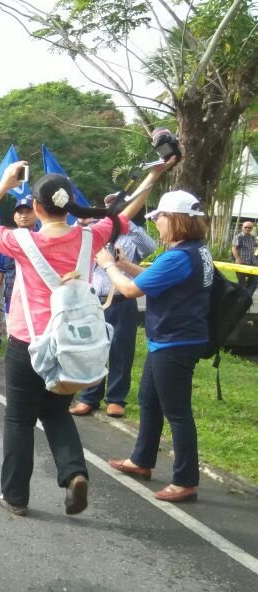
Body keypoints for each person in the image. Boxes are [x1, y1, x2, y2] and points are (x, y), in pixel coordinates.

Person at [0, 158, 170, 517]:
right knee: (57, 412)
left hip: (27, 341)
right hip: (72, 341)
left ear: (36, 207)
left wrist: (2, 185)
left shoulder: (21, 242)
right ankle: (74, 472)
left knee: (19, 419)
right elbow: (126, 213)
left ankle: (16, 496)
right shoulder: (92, 237)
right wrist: (154, 174)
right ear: (68, 203)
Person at [102, 190, 212, 503]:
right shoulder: (194, 250)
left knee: (177, 412)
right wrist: (125, 265)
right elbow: (154, 278)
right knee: (149, 399)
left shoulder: (178, 256)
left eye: (159, 218)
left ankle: (186, 480)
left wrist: (109, 265)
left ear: (175, 220)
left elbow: (131, 291)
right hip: (171, 339)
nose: (156, 224)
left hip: (175, 341)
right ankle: (141, 460)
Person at [70, 194, 158, 418]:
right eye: (108, 205)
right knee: (93, 349)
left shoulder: (131, 236)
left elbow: (151, 247)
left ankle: (116, 399)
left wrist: (127, 222)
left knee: (121, 350)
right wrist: (85, 220)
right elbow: (72, 242)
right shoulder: (91, 233)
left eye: (117, 206)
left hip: (122, 300)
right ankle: (89, 397)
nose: (112, 209)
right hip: (93, 300)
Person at [0, 198, 37, 344]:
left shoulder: (44, 237)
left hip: (38, 300)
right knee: (15, 339)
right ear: (14, 217)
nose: (24, 216)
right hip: (12, 300)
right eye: (20, 212)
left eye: (28, 212)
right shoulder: (7, 240)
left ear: (38, 213)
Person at [231, 220, 256, 290]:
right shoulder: (238, 237)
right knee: (241, 282)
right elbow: (234, 248)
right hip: (242, 263)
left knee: (253, 280)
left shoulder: (252, 237)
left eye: (250, 227)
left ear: (252, 228)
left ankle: (246, 294)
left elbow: (254, 244)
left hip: (251, 262)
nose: (247, 229)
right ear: (242, 227)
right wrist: (237, 258)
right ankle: (240, 298)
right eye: (246, 227)